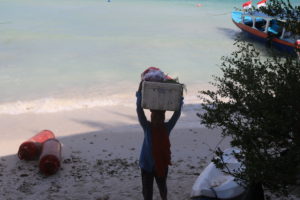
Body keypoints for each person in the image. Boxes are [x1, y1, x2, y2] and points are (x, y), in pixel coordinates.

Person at [136, 81, 183, 200]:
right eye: (155, 118)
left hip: (161, 165)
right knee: (147, 193)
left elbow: (177, 114)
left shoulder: (166, 128)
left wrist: (180, 97)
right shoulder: (147, 127)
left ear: (163, 118)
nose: (157, 120)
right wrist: (139, 93)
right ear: (151, 118)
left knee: (163, 189)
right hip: (146, 166)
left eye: (160, 118)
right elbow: (139, 111)